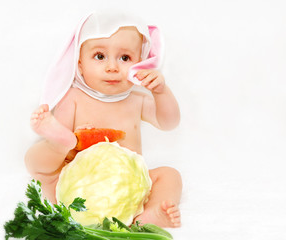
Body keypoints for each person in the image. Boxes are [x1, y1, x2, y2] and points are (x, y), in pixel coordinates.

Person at [25, 12, 182, 228]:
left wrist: (161, 92)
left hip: (127, 189)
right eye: (100, 56)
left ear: (141, 64)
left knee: (170, 175)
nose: (112, 67)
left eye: (124, 58)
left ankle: (148, 215)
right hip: (78, 188)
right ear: (79, 65)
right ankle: (61, 142)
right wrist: (72, 144)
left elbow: (169, 122)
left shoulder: (137, 100)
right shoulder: (73, 98)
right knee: (38, 162)